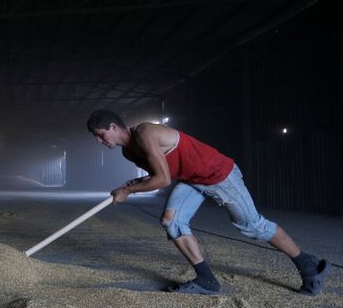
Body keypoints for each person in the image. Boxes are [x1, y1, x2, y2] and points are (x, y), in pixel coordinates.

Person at [86, 109, 330, 296]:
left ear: (113, 126)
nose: (99, 141)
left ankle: (308, 266)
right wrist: (130, 185)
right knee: (172, 221)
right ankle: (207, 280)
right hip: (193, 180)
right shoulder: (129, 152)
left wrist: (128, 193)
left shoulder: (145, 132)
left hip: (218, 174)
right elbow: (159, 172)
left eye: (100, 135)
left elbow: (163, 179)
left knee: (253, 226)